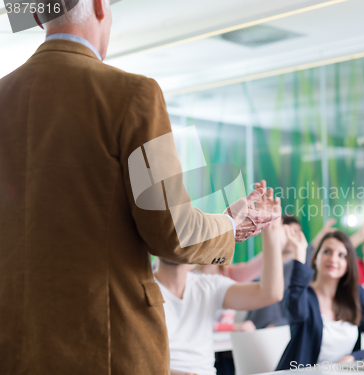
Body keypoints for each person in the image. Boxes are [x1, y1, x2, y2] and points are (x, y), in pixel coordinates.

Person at [0, 1, 279, 374]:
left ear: (37, 17)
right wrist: (229, 224)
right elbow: (173, 233)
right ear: (100, 7)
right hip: (105, 346)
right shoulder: (131, 94)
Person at [154, 187, 283, 375]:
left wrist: (271, 229)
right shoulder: (140, 288)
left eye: (181, 231)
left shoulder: (208, 286)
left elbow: (270, 293)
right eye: (167, 231)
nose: (174, 240)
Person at [276, 229, 364, 369]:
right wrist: (299, 253)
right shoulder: (303, 295)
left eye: (342, 255)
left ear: (348, 264)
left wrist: (352, 358)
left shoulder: (358, 295)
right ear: (316, 258)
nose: (333, 259)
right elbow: (295, 312)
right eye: (327, 252)